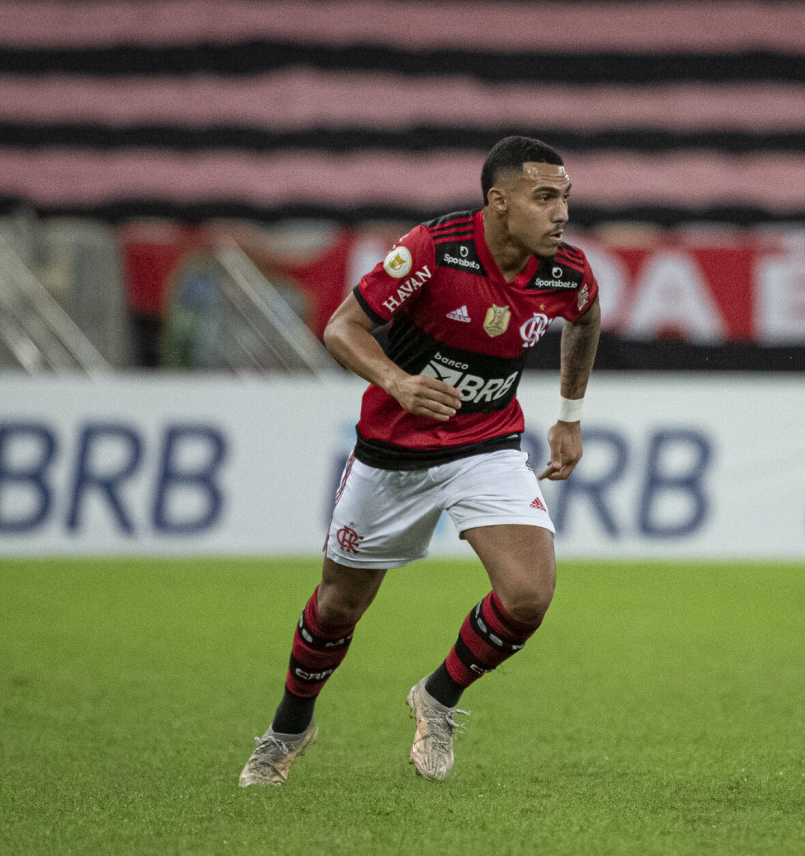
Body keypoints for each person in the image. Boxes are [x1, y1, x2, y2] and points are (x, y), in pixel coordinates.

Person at [239, 136, 602, 786]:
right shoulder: (434, 251)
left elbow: (586, 315)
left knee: (528, 595)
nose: (561, 213)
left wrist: (569, 417)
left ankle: (437, 698)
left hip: (485, 444)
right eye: (544, 197)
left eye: (565, 198)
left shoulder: (564, 271)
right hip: (392, 451)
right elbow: (342, 328)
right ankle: (289, 726)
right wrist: (399, 383)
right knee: (337, 608)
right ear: (499, 201)